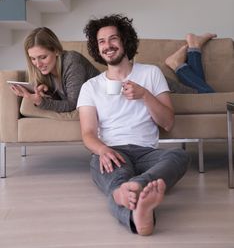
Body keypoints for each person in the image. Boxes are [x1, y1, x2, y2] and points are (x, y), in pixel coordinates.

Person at [77, 14, 189, 236]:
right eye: (101, 41)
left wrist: (145, 95)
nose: (108, 46)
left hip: (147, 152)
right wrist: (103, 150)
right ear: (96, 48)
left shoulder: (151, 73)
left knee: (179, 156)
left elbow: (167, 122)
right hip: (112, 151)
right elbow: (88, 133)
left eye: (113, 39)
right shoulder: (91, 87)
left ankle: (133, 187)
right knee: (116, 180)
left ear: (125, 41)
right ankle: (137, 215)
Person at [10, 27, 99, 112]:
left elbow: (73, 104)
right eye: (33, 59)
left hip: (101, 102)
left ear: (56, 50)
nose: (38, 64)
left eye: (43, 57)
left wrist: (41, 102)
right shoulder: (47, 70)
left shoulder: (72, 62)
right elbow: (61, 101)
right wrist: (48, 92)